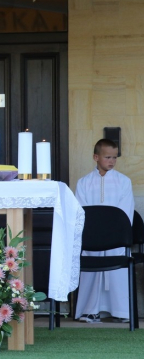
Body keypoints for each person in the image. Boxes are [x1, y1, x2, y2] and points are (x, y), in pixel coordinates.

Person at [75, 138, 134, 323]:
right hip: (91, 239)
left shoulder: (124, 182)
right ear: (96, 157)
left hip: (116, 240)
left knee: (117, 271)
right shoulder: (83, 183)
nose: (112, 161)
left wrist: (111, 234)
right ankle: (90, 310)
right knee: (92, 270)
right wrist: (94, 234)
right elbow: (80, 211)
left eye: (115, 157)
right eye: (107, 157)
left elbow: (125, 212)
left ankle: (121, 311)